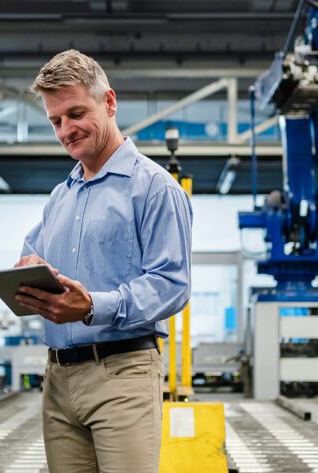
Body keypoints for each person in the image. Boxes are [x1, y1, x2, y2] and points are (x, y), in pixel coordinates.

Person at [14, 50, 192, 473]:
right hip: (57, 378)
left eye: (76, 113)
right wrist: (26, 275)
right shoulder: (61, 196)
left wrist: (94, 305)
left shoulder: (154, 189)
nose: (66, 130)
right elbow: (30, 257)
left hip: (121, 372)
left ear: (108, 102)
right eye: (56, 121)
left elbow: (172, 284)